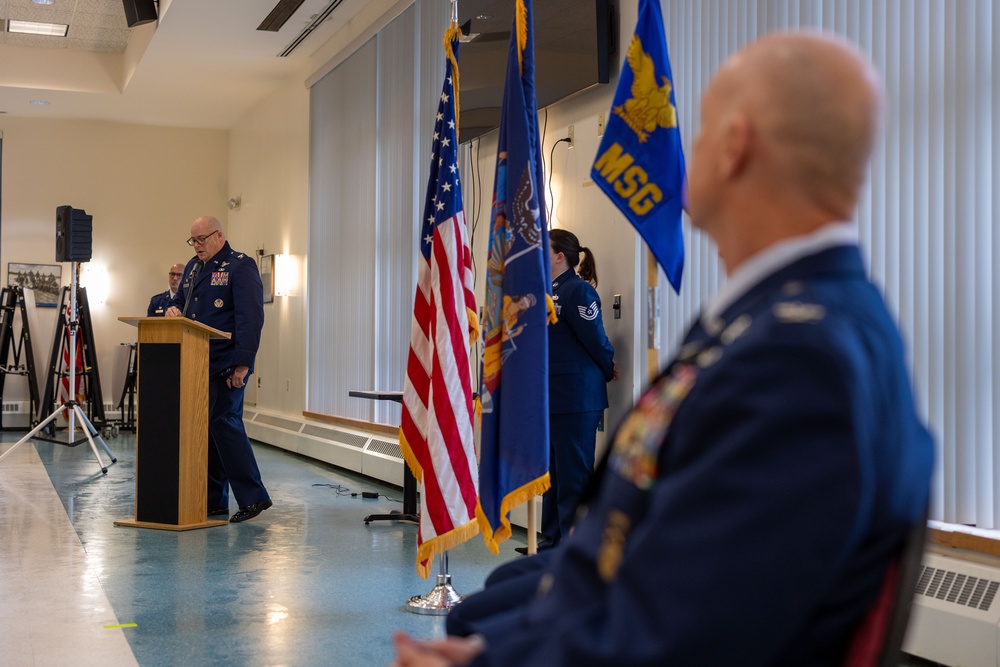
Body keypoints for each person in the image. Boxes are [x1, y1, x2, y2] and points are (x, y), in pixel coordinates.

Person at [390, 30, 934, 667]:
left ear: (734, 148)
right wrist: (483, 630)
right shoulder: (763, 324)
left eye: (697, 131)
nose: (681, 151)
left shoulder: (802, 362)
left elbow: (682, 631)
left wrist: (490, 658)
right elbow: (622, 542)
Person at [165, 216, 272, 523]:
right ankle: (213, 501)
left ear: (219, 236)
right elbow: (180, 302)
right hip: (198, 362)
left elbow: (251, 320)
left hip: (227, 364)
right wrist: (173, 308)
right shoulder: (194, 267)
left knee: (225, 425)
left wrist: (243, 364)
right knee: (208, 432)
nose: (196, 246)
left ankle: (254, 497)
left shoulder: (240, 266)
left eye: (201, 239)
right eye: (193, 240)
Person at [536, 229, 616, 551]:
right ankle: (551, 545)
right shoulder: (548, 291)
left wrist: (609, 368)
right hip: (554, 398)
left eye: (546, 249)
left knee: (574, 479)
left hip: (577, 399)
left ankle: (573, 550)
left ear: (559, 257)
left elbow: (595, 339)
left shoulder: (578, 291)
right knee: (551, 480)